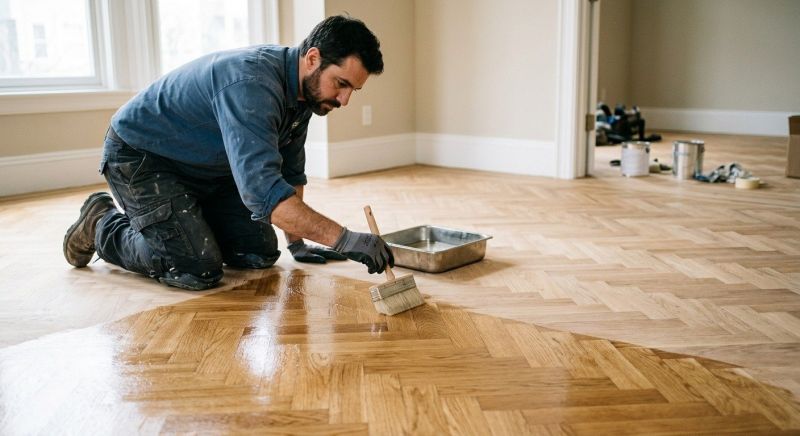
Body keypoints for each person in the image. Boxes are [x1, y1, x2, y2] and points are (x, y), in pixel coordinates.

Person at [62, 15, 394, 290]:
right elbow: (264, 194)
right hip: (141, 156)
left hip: (203, 167)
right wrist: (345, 240)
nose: (344, 100)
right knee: (196, 267)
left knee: (260, 253)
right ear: (312, 59)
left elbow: (289, 173)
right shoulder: (253, 84)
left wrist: (296, 243)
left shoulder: (305, 96)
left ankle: (186, 222)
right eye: (341, 84)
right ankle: (101, 222)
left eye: (353, 90)